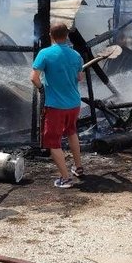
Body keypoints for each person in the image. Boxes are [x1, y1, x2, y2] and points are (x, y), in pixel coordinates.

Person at [30, 23, 85, 188]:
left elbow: (34, 78)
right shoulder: (76, 55)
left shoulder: (45, 53)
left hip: (55, 106)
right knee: (72, 132)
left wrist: (42, 89)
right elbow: (79, 78)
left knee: (53, 142)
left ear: (51, 35)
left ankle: (66, 178)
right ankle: (78, 167)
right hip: (74, 104)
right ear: (67, 35)